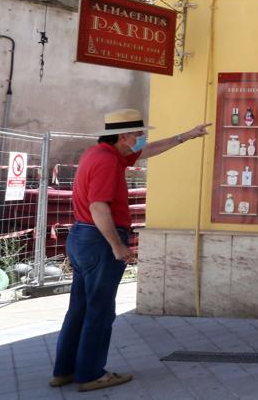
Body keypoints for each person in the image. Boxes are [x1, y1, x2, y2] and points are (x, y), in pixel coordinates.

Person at [51, 108, 210, 392]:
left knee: (80, 307)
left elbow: (148, 150)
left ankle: (65, 370)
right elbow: (99, 207)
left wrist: (186, 136)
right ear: (124, 136)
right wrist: (117, 245)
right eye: (137, 134)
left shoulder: (99, 153)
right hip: (98, 240)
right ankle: (91, 374)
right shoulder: (107, 163)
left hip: (82, 237)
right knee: (100, 310)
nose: (140, 139)